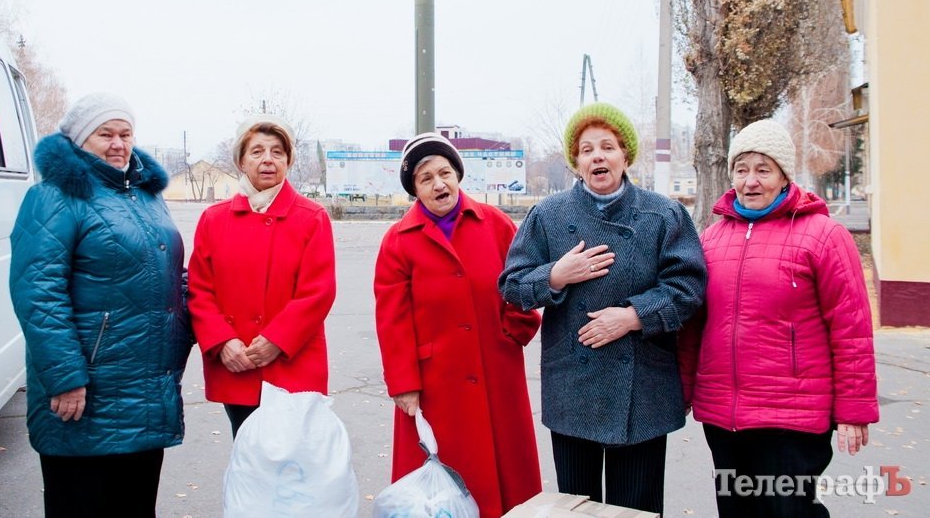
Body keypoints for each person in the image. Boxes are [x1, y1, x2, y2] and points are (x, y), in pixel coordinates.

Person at [499, 102, 706, 515]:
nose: (598, 156)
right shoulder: (548, 215)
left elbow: (689, 287)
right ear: (576, 162)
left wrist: (632, 317)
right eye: (588, 148)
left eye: (608, 146)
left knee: (638, 508)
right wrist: (556, 275)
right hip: (573, 384)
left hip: (643, 386)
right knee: (576, 506)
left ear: (625, 155)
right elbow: (511, 286)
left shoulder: (663, 214)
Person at [679, 119, 879, 517]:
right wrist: (682, 391)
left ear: (784, 176)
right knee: (736, 512)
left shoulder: (823, 235)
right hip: (724, 416)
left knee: (789, 511)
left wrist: (854, 411)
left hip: (792, 417)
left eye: (763, 169)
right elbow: (693, 328)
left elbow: (851, 328)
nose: (750, 181)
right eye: (742, 169)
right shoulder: (712, 239)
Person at [9, 93, 190, 517]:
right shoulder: (54, 196)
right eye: (104, 134)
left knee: (135, 505)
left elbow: (172, 272)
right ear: (77, 139)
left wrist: (190, 330)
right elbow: (39, 294)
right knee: (81, 504)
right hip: (86, 387)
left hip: (146, 383)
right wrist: (65, 377)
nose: (118, 144)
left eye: (125, 134)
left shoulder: (145, 196)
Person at [374, 133, 543, 518]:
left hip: (496, 370)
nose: (439, 184)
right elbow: (392, 319)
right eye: (426, 178)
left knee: (506, 475)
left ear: (457, 175)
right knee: (440, 487)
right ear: (415, 190)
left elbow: (522, 282)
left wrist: (513, 330)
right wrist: (404, 384)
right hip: (434, 384)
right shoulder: (398, 241)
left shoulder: (495, 223)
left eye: (445, 173)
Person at [187, 114, 336, 436]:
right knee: (249, 465)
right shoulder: (214, 220)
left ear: (288, 161)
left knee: (295, 468)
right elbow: (199, 290)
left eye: (277, 152)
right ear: (241, 161)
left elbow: (318, 291)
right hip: (237, 363)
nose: (268, 159)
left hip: (291, 364)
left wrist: (276, 340)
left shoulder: (311, 218)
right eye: (257, 151)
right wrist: (222, 342)